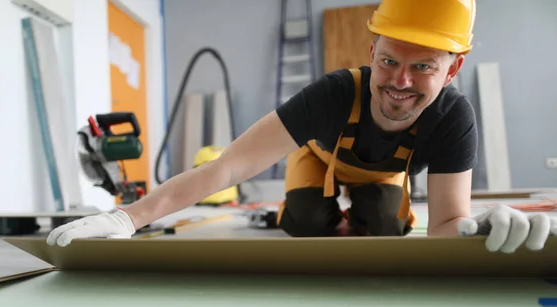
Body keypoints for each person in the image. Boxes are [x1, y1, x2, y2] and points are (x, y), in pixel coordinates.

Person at [48, 0, 556, 252]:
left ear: (453, 69)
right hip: (321, 161)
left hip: (382, 179)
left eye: (424, 66)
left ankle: (363, 213)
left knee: (384, 229)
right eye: (388, 61)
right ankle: (321, 213)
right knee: (306, 224)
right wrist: (127, 219)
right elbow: (227, 168)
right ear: (370, 50)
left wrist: (476, 234)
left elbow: (446, 224)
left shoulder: (453, 118)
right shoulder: (335, 93)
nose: (400, 82)